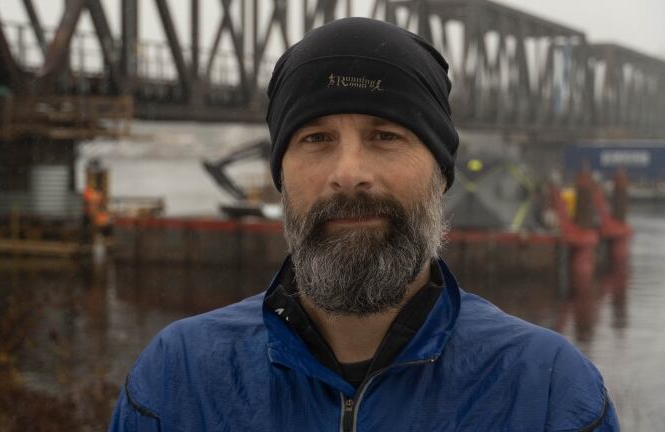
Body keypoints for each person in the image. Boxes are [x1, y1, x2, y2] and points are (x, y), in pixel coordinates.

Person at [110, 18, 618, 431]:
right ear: (281, 178)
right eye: (316, 139)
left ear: (442, 175)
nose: (348, 174)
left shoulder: (551, 394)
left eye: (385, 136)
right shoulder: (175, 382)